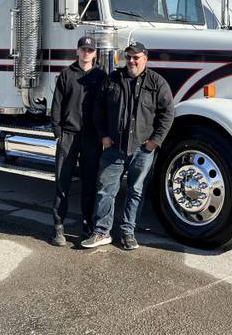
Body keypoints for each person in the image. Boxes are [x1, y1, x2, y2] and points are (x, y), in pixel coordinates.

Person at [81, 41, 174, 250]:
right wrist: (103, 135)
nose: (131, 61)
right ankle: (102, 232)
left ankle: (128, 232)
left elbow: (168, 114)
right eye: (128, 57)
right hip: (114, 147)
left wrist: (154, 142)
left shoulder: (157, 83)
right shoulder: (112, 80)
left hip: (142, 149)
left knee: (136, 191)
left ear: (145, 59)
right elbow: (98, 109)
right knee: (106, 190)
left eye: (136, 57)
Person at [49, 35, 107, 246]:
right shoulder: (66, 75)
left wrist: (104, 134)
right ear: (77, 51)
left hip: (92, 138)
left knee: (89, 183)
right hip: (68, 136)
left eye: (90, 50)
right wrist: (58, 133)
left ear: (95, 53)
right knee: (62, 182)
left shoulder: (101, 76)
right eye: (83, 49)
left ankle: (87, 225)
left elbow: (106, 106)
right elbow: (56, 105)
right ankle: (58, 227)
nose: (86, 53)